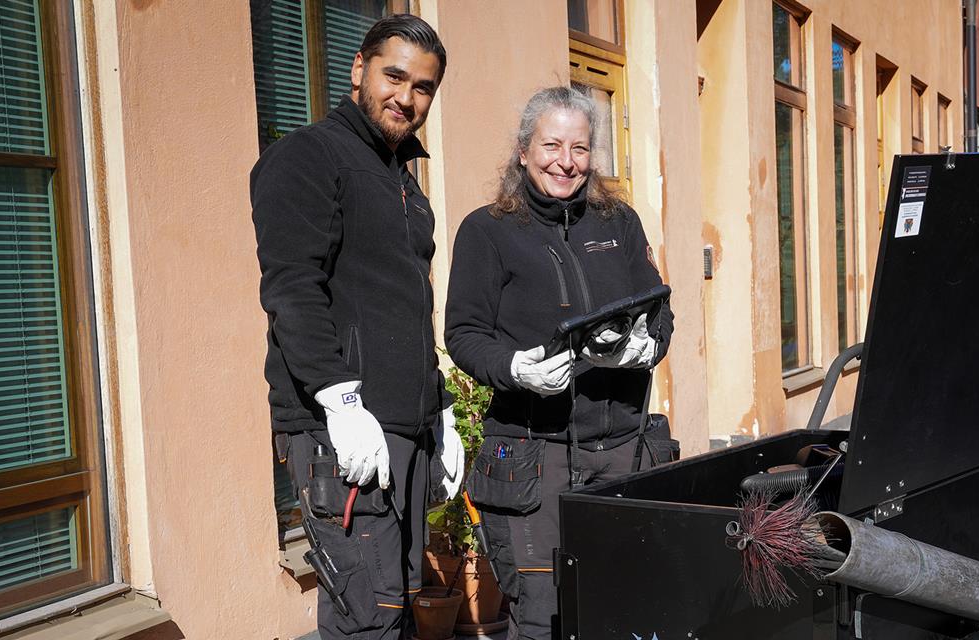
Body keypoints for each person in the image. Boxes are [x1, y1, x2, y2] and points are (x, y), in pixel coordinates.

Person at [250, 14, 463, 640]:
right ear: (358, 70)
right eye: (394, 76)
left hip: (407, 429)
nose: (406, 96)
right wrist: (339, 400)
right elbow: (292, 288)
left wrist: (440, 409)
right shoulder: (308, 157)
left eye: (423, 87)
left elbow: (405, 308)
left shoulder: (402, 179)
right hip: (340, 429)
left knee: (397, 614)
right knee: (366, 623)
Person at [444, 86, 676, 640]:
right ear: (523, 150)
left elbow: (659, 311)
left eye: (580, 148)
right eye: (551, 145)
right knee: (542, 615)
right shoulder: (487, 230)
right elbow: (464, 334)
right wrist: (515, 368)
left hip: (623, 449)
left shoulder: (618, 223)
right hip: (533, 455)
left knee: (625, 606)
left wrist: (647, 346)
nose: (565, 162)